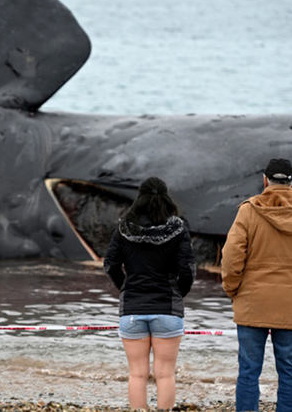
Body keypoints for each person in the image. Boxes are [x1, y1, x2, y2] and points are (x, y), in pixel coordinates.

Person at [221, 158, 292, 412]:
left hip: (251, 304)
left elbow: (231, 259)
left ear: (265, 180)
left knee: (248, 372)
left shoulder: (248, 211)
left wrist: (233, 290)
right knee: (291, 373)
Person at [103, 176, 196, 410]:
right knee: (165, 374)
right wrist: (177, 293)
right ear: (166, 197)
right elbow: (187, 270)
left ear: (140, 198)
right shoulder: (178, 229)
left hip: (132, 309)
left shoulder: (124, 227)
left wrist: (126, 287)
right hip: (167, 309)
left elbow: (111, 264)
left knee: (137, 375)